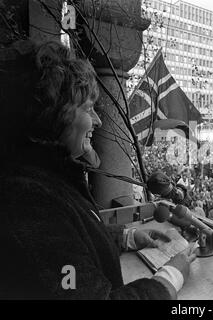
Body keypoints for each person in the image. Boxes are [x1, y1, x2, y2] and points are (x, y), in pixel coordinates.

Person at [0, 40, 196, 299]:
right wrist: (168, 279)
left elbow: (68, 246)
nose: (98, 120)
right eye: (88, 109)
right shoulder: (29, 202)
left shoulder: (41, 182)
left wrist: (124, 238)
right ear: (53, 115)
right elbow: (63, 272)